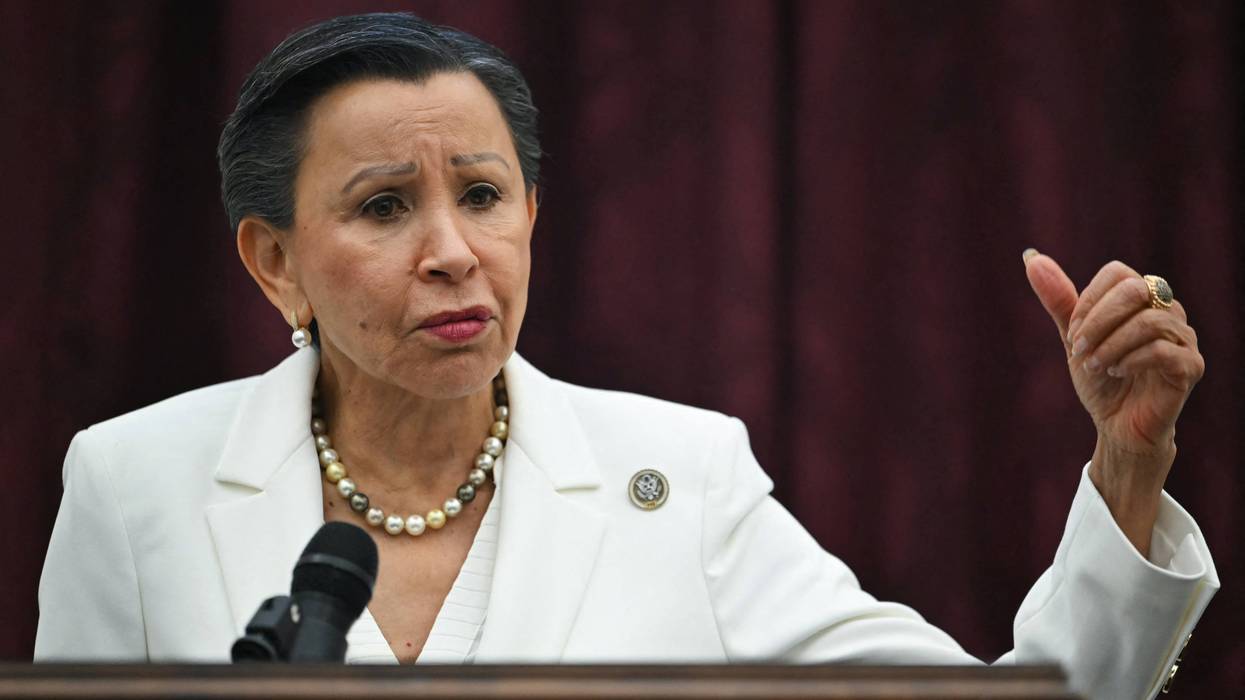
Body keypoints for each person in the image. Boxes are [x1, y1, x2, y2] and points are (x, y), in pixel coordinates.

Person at [34, 12, 1217, 699]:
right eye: (385, 206)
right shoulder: (135, 484)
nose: (453, 251)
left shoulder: (680, 477)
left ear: (532, 217)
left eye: (484, 195)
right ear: (275, 261)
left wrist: (1126, 464)